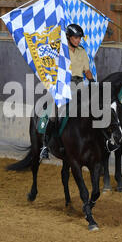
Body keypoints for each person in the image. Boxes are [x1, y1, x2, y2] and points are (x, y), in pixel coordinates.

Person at [39, 24, 94, 159]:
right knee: (54, 113)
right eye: (76, 38)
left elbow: (86, 70)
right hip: (64, 84)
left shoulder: (82, 51)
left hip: (80, 83)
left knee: (95, 108)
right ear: (68, 38)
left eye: (79, 38)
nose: (78, 40)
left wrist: (92, 82)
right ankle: (46, 145)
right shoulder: (61, 51)